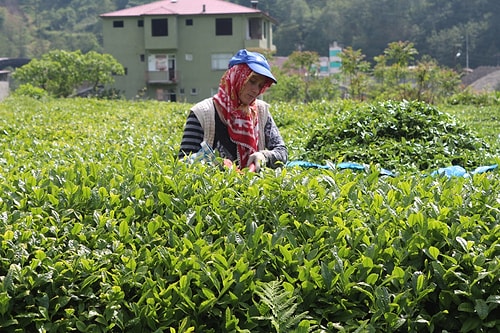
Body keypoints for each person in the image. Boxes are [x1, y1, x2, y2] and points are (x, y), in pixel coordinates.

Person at [178, 49, 287, 172]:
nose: (255, 90)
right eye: (252, 81)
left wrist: (264, 156)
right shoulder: (202, 113)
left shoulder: (261, 112)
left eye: (260, 85)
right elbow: (183, 162)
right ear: (237, 77)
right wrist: (214, 164)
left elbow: (282, 151)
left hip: (252, 188)